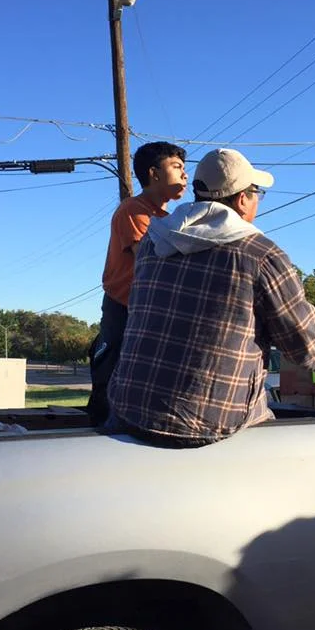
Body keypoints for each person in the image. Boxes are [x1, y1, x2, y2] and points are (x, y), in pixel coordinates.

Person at [103, 147, 315, 447]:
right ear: (242, 200)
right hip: (210, 424)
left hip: (128, 412)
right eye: (257, 193)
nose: (257, 201)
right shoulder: (261, 254)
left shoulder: (154, 243)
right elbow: (303, 346)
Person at [86, 141, 188, 425]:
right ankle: (101, 428)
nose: (184, 174)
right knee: (112, 376)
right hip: (123, 308)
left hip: (151, 310)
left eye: (185, 168)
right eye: (177, 167)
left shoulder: (168, 218)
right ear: (154, 173)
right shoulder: (134, 210)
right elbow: (151, 258)